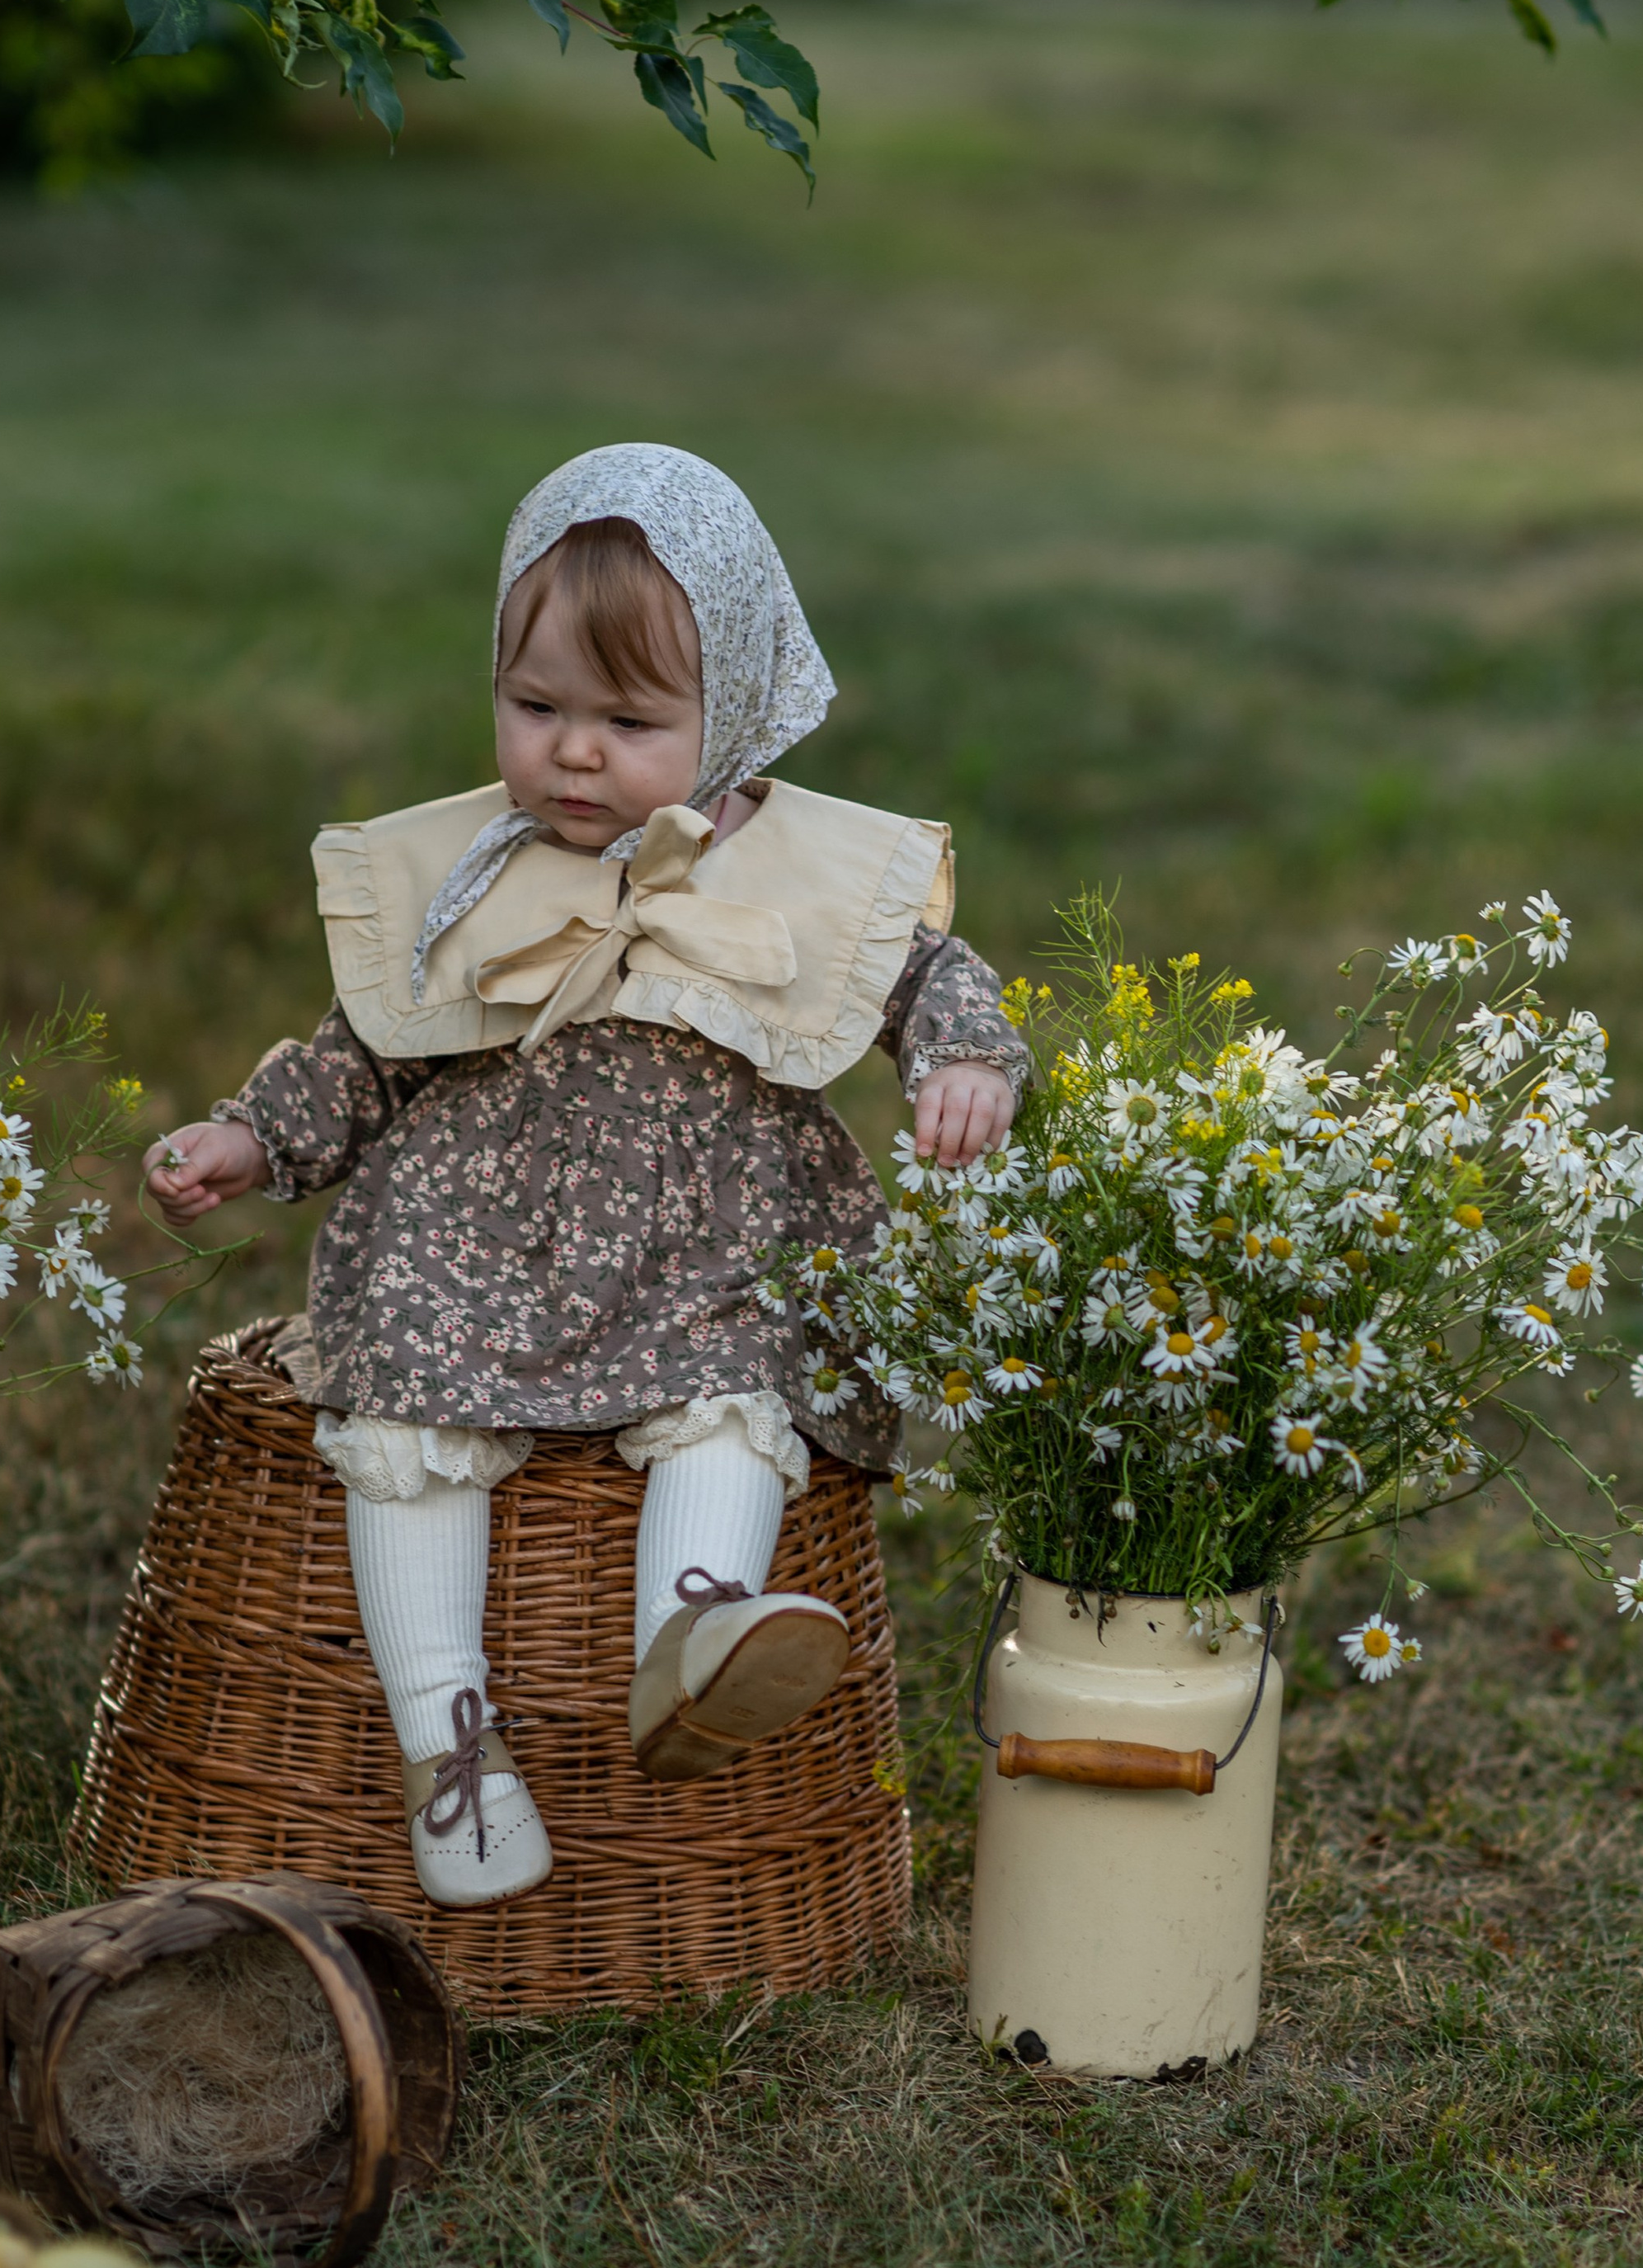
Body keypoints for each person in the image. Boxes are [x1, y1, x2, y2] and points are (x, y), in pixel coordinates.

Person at [145, 444, 1027, 1908]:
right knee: (398, 1400)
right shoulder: (471, 874)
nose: (572, 754)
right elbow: (369, 1051)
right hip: (477, 1243)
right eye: (536, 706)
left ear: (731, 708)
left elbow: (923, 972)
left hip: (714, 1241)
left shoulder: (802, 867)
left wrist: (964, 1063)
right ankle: (452, 1745)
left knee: (745, 1384)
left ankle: (692, 1641)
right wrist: (250, 1138)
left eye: (631, 720)